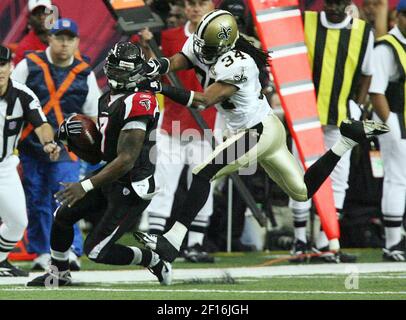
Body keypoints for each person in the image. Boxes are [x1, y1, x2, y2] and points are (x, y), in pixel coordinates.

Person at [134, 9, 389, 263]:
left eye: (209, 48)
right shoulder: (205, 42)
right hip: (267, 128)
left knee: (202, 171)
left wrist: (159, 86)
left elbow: (203, 100)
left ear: (226, 44)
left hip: (256, 133)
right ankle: (347, 139)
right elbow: (185, 57)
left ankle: (173, 239)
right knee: (302, 192)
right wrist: (158, 66)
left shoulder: (239, 63)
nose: (203, 52)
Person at [27, 41, 171, 287]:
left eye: (123, 71)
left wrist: (84, 186)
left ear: (136, 72)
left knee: (96, 252)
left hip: (132, 186)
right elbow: (100, 156)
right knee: (63, 214)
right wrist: (74, 142)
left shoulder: (140, 101)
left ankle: (152, 258)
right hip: (110, 176)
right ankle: (58, 274)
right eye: (114, 68)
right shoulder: (108, 98)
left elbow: (126, 160)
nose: (116, 75)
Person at [287, 0, 375, 263]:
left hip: (340, 116)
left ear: (348, 3)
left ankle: (328, 242)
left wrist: (358, 105)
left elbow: (367, 73)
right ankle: (299, 240)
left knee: (338, 178)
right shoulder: (306, 21)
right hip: (306, 113)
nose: (333, 7)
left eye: (339, 2)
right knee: (299, 174)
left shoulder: (363, 31)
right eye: (329, 1)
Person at [12, 18, 100, 271]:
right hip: (31, 145)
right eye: (59, 37)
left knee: (66, 197)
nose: (64, 43)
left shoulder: (85, 73)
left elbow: (92, 115)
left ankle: (70, 250)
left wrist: (88, 146)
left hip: (68, 149)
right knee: (36, 198)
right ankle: (41, 252)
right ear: (49, 38)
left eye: (69, 38)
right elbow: (13, 98)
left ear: (77, 42)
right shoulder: (29, 65)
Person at [142, 0, 219, 263]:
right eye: (191, 3)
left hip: (207, 123)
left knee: (202, 183)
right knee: (163, 183)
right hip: (173, 124)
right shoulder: (170, 36)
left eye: (201, 3)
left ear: (210, 5)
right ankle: (154, 239)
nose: (196, 8)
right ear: (185, 7)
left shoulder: (222, 36)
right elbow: (156, 74)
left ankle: (195, 244)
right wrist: (147, 47)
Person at [0, 45, 60, 276]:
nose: (0, 70)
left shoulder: (23, 94)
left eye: (3, 64)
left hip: (4, 166)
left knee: (17, 222)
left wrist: (48, 143)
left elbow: (41, 123)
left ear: (10, 66)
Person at [369, 0, 406, 261]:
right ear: (398, 16)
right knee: (396, 177)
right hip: (394, 119)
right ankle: (392, 243)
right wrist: (390, 124)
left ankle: (397, 237)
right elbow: (376, 91)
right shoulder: (386, 47)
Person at [14, 0, 54, 65]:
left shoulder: (64, 40)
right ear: (29, 19)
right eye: (37, 14)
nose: (42, 17)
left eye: (46, 12)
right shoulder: (24, 48)